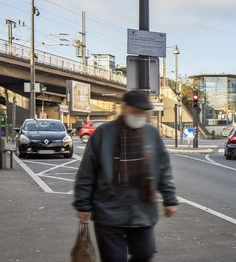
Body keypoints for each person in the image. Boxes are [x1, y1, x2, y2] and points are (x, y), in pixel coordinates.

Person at [73, 90, 178, 261]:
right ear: (124, 109)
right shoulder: (103, 133)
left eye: (144, 112)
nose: (140, 116)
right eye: (136, 111)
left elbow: (162, 168)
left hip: (142, 210)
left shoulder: (151, 134)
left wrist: (170, 199)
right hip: (109, 210)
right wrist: (83, 204)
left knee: (145, 254)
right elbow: (87, 171)